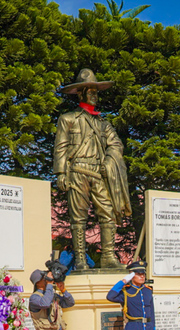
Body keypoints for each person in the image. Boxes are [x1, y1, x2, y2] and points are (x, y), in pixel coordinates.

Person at [54, 68, 131, 270]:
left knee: (107, 213)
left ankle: (107, 257)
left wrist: (107, 162)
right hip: (77, 171)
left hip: (99, 172)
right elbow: (61, 146)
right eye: (91, 92)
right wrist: (61, 173)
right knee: (78, 216)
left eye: (96, 92)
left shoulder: (103, 124)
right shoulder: (68, 119)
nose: (95, 96)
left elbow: (116, 145)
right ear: (81, 93)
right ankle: (80, 258)